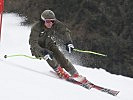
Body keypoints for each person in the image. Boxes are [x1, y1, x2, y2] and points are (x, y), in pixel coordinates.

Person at [29, 10, 85, 81]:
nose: (50, 23)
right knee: (48, 56)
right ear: (43, 21)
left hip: (49, 43)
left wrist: (69, 42)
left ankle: (74, 73)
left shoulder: (55, 24)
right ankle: (59, 70)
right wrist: (43, 51)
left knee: (60, 55)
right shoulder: (36, 28)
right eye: (48, 21)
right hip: (38, 48)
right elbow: (33, 44)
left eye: (52, 21)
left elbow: (65, 31)